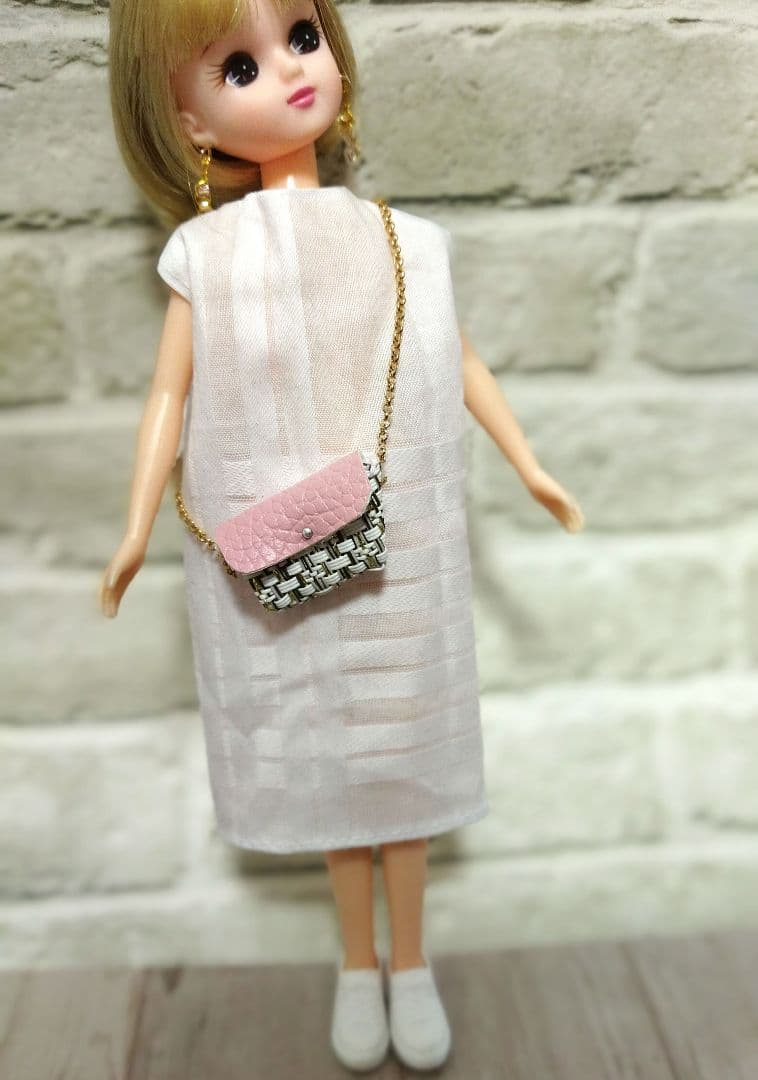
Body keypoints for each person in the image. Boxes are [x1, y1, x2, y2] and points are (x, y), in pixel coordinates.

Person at [99, 0, 585, 1070]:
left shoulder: (403, 243)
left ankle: (410, 962)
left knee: (400, 763)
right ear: (188, 121)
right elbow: (168, 397)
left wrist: (529, 463)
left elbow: (456, 358)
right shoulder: (203, 256)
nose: (287, 69)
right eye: (238, 65)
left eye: (302, 36)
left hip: (399, 539)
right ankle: (356, 964)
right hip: (279, 548)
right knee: (324, 755)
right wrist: (134, 528)